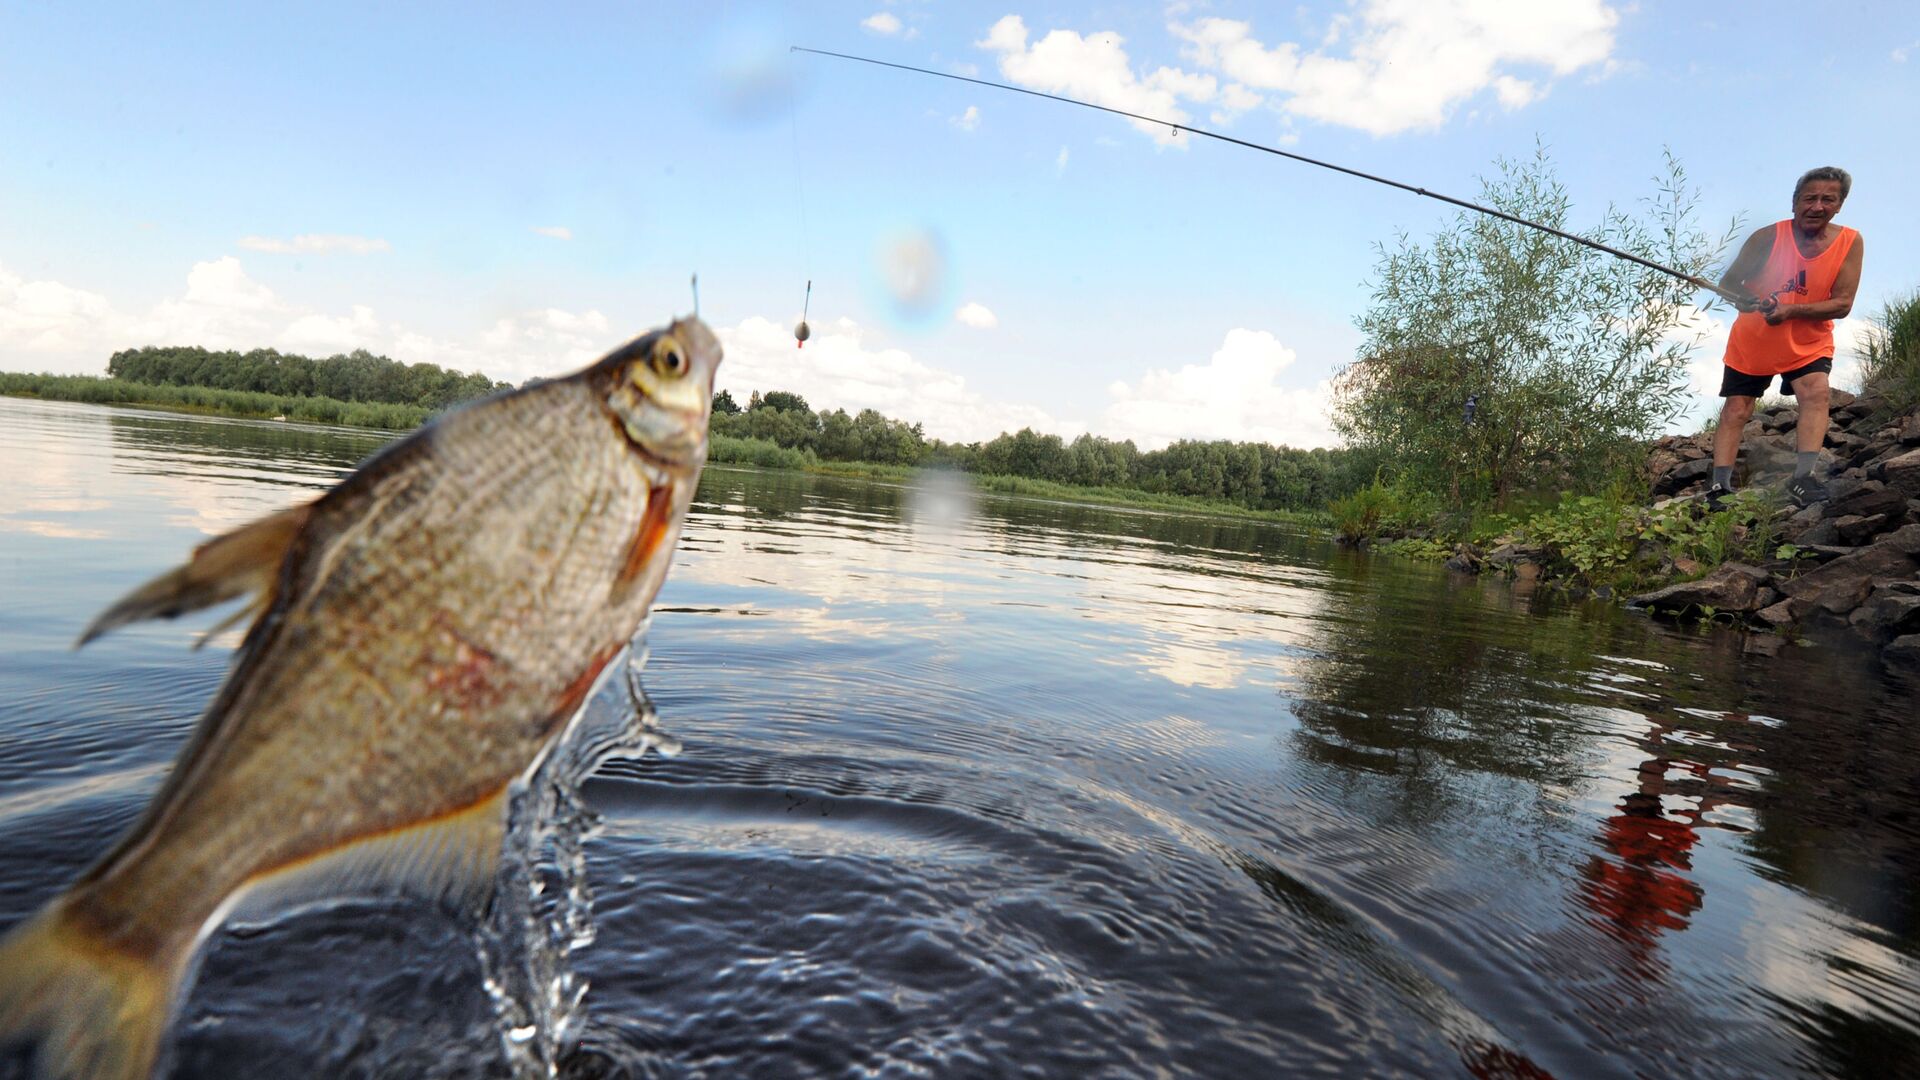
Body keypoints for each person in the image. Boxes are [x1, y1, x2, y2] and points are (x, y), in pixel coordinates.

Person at [1706, 166, 1865, 509]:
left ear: (1839, 205)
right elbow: (1728, 285)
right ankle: (1719, 488)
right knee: (1737, 408)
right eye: (1810, 198)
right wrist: (1744, 299)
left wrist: (1790, 311)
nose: (1818, 206)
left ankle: (1802, 478)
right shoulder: (1766, 238)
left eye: (1828, 199)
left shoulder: (1850, 242)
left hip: (1808, 340)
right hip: (1754, 339)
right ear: (1794, 203)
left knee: (1816, 392)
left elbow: (1842, 304)